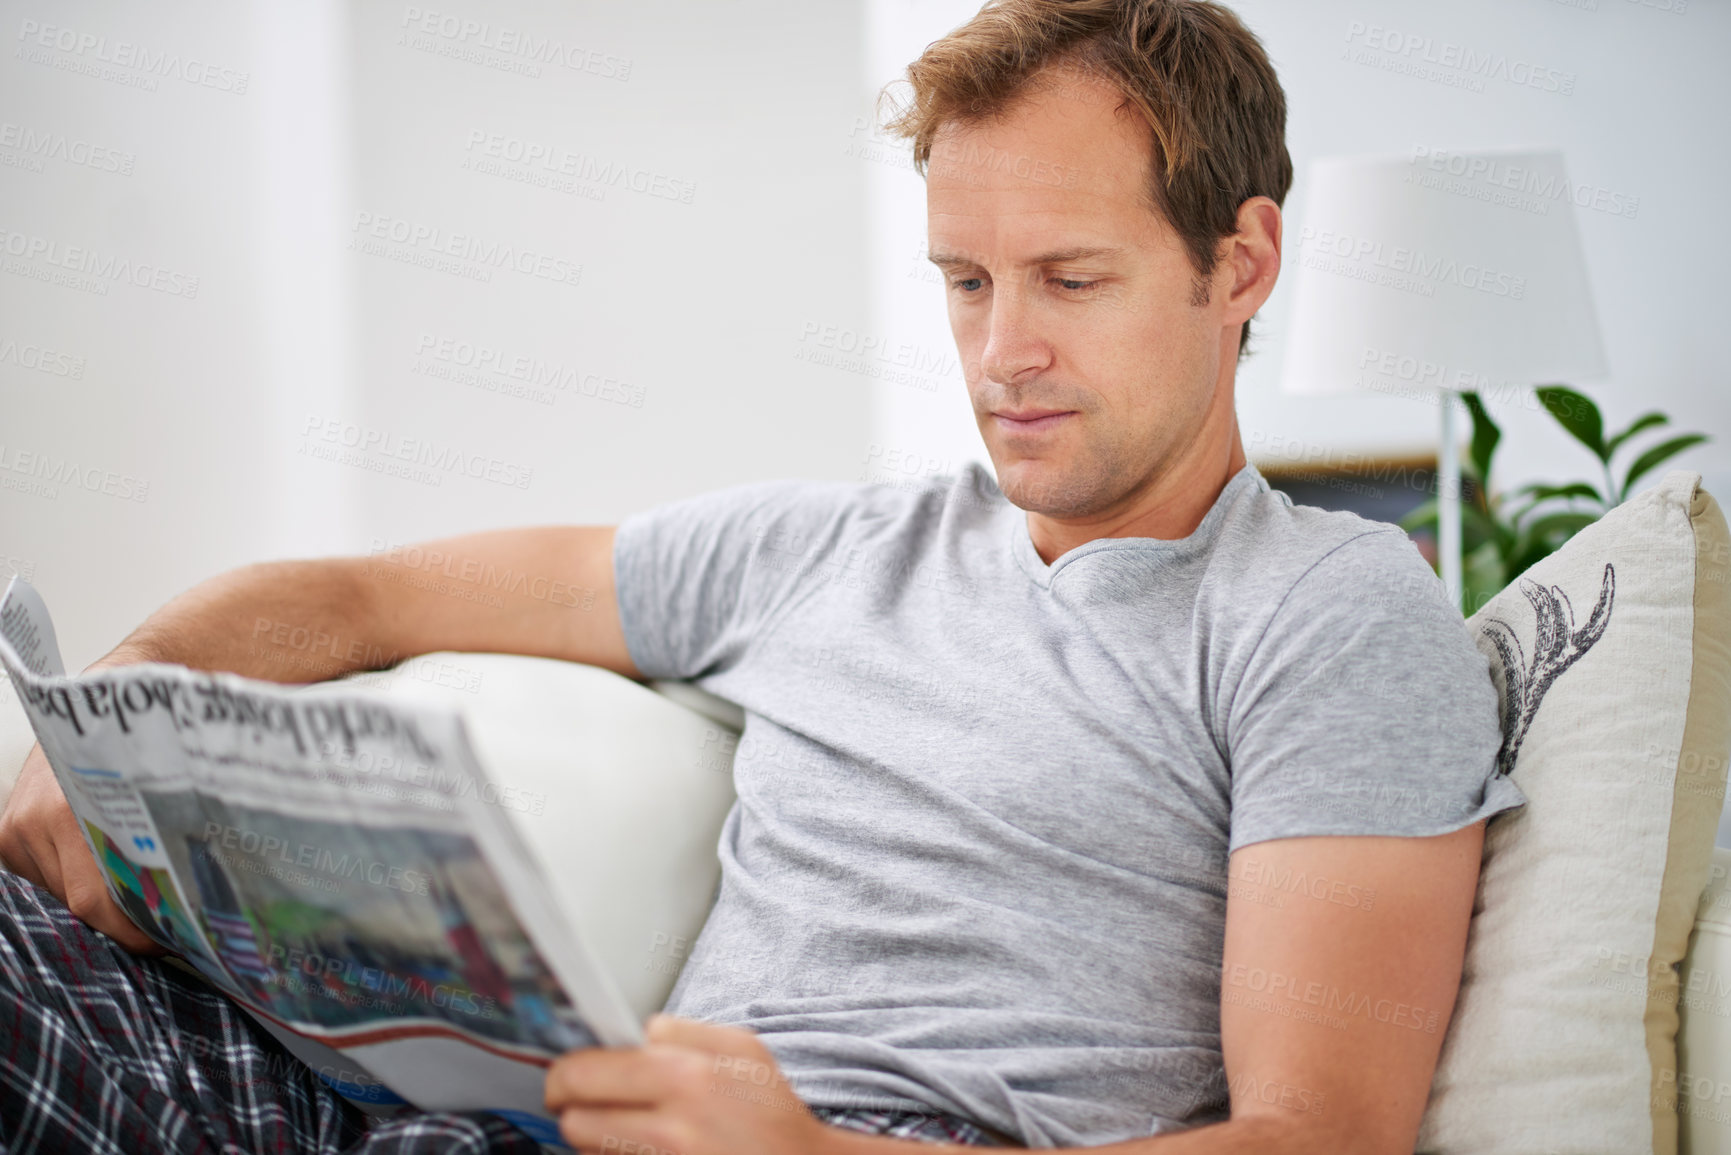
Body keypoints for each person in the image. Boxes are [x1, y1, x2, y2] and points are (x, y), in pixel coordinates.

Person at [0, 1, 1525, 1152]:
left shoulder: (1333, 615)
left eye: (1071, 279)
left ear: (1241, 264)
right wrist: (105, 718)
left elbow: (1316, 1135)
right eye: (966, 283)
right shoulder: (824, 549)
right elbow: (355, 598)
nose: (1005, 355)